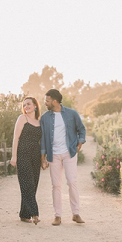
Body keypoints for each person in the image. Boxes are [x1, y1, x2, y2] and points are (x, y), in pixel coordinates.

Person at [40, 89, 87, 226]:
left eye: (47, 101)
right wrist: (43, 158)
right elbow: (43, 138)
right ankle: (58, 216)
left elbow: (82, 129)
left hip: (69, 152)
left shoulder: (72, 114)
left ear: (54, 101)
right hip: (53, 154)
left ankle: (76, 213)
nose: (45, 103)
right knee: (56, 185)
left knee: (72, 182)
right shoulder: (45, 117)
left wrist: (80, 142)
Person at [10, 97, 42, 225]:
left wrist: (44, 159)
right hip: (22, 155)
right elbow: (16, 137)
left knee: (33, 185)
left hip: (35, 156)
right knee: (27, 184)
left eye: (28, 104)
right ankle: (34, 213)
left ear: (35, 105)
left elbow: (42, 141)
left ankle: (24, 215)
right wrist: (14, 156)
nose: (26, 107)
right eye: (24, 105)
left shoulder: (39, 121)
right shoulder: (22, 118)